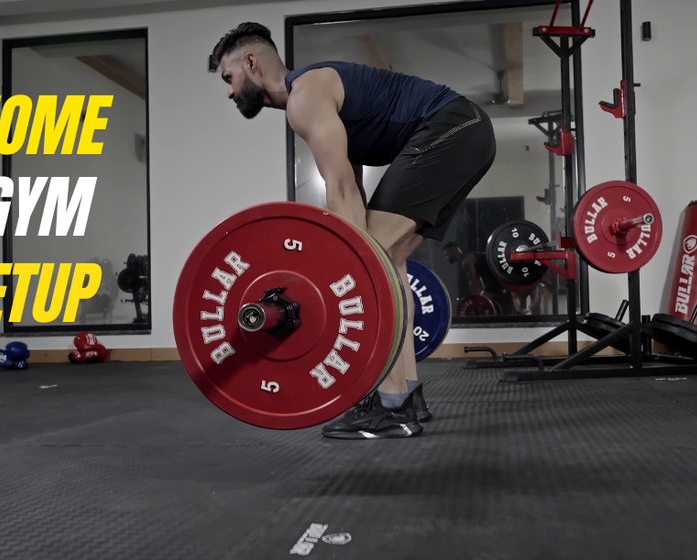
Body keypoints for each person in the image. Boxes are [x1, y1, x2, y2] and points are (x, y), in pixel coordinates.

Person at [212, 23, 496, 439]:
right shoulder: (321, 96)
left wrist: (347, 270)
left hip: (450, 128)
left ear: (251, 62)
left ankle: (391, 406)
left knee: (369, 270)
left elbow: (340, 189)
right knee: (389, 263)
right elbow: (353, 191)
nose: (229, 91)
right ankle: (407, 394)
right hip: (466, 131)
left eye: (229, 77)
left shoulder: (304, 97)